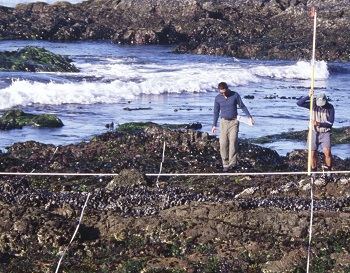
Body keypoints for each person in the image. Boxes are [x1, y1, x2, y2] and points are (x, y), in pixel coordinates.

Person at [212, 82, 254, 172]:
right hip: (223, 122)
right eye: (221, 92)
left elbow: (242, 106)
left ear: (227, 88)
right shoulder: (218, 98)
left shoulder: (235, 95)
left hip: (234, 121)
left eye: (224, 92)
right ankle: (225, 164)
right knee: (223, 143)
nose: (223, 94)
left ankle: (232, 163)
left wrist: (249, 117)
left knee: (233, 141)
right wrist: (214, 125)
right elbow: (216, 112)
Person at [297, 89, 335, 179]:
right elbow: (299, 103)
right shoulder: (312, 104)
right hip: (313, 132)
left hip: (325, 132)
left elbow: (330, 123)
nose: (321, 106)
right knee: (312, 153)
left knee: (327, 152)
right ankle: (314, 171)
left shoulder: (330, 107)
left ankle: (329, 171)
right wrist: (308, 96)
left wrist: (318, 123)